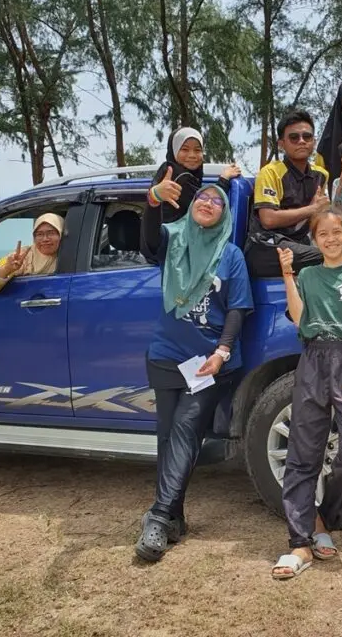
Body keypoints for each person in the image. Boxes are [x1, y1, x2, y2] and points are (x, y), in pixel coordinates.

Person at [135, 184, 254, 562]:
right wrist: (153, 200)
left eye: (217, 201)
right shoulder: (173, 239)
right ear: (190, 205)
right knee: (168, 437)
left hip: (209, 363)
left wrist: (222, 352)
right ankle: (175, 517)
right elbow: (149, 240)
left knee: (186, 430)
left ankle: (156, 517)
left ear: (225, 213)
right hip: (166, 355)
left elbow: (237, 309)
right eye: (201, 197)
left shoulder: (231, 255)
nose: (208, 203)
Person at [272, 208, 342, 580]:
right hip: (314, 358)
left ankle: (325, 517)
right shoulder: (307, 275)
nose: (331, 238)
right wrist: (288, 275)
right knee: (303, 453)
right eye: (323, 233)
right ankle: (299, 543)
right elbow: (298, 317)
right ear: (315, 239)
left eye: (337, 231)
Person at [246, 110, 331, 277]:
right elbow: (268, 219)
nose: (301, 141)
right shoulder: (270, 172)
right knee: (326, 257)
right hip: (265, 245)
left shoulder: (321, 174)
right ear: (281, 144)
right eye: (294, 137)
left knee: (340, 252)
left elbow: (317, 217)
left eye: (307, 137)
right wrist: (312, 209)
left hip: (298, 245)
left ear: (313, 141)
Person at [141, 127, 241, 263]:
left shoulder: (187, 175)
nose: (192, 155)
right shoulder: (176, 176)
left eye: (198, 150)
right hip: (170, 255)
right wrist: (223, 180)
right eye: (185, 149)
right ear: (174, 150)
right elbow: (205, 207)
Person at [0, 213, 64, 294]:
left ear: (62, 234)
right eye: (39, 234)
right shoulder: (23, 255)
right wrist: (7, 269)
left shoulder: (73, 253)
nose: (45, 239)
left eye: (51, 233)